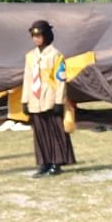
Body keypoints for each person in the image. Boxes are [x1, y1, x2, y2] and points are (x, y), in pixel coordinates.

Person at [22, 19, 75, 178]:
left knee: (54, 131)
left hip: (50, 97)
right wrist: (25, 100)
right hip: (34, 99)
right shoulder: (30, 56)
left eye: (39, 35)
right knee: (39, 132)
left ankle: (56, 162)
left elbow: (60, 79)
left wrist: (59, 101)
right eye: (34, 35)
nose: (36, 38)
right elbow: (27, 78)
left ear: (47, 36)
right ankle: (43, 162)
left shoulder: (56, 55)